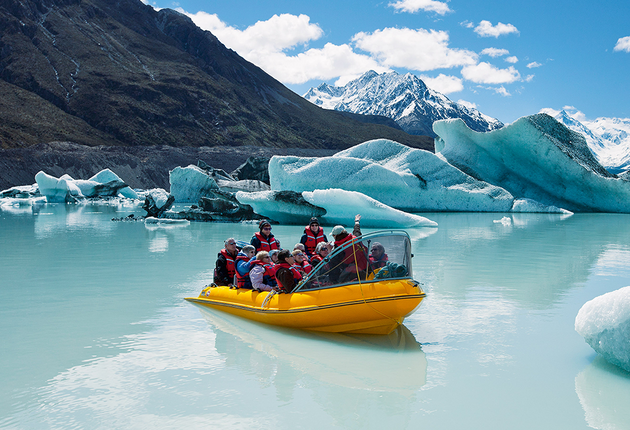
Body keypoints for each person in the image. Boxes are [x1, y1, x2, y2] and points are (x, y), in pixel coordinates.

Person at [328, 214, 368, 284]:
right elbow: (357, 230)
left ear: (336, 236)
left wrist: (329, 250)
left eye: (333, 235)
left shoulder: (339, 248)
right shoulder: (355, 238)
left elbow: (333, 266)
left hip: (351, 275)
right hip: (364, 270)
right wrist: (357, 221)